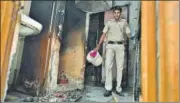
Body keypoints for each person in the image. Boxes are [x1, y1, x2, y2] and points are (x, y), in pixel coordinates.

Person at [93, 6, 134, 97]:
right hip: (110, 46)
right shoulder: (109, 23)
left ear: (120, 13)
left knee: (120, 68)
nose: (116, 14)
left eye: (118, 13)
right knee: (108, 67)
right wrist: (98, 46)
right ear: (113, 13)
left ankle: (118, 89)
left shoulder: (124, 23)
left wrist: (133, 37)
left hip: (120, 46)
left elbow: (128, 34)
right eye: (115, 13)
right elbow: (103, 34)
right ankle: (108, 88)